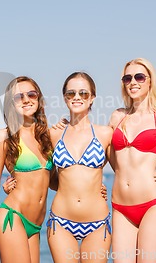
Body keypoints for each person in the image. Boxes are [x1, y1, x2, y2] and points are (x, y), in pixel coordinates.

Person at [108, 58, 156, 263]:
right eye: (127, 78)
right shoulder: (117, 117)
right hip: (120, 207)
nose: (133, 82)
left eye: (139, 77)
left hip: (153, 206)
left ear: (150, 81)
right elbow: (111, 159)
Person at [0, 76, 56, 263]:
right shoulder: (5, 136)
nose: (26, 99)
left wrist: (94, 188)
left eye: (31, 94)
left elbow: (54, 182)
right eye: (18, 97)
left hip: (35, 225)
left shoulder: (47, 137)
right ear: (10, 104)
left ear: (39, 99)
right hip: (12, 218)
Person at [47, 72, 114, 263]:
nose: (77, 97)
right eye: (71, 93)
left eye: (83, 93)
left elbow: (125, 169)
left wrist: (155, 174)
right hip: (60, 221)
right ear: (65, 98)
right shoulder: (54, 134)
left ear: (92, 98)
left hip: (98, 223)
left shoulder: (105, 133)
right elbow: (46, 177)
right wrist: (13, 182)